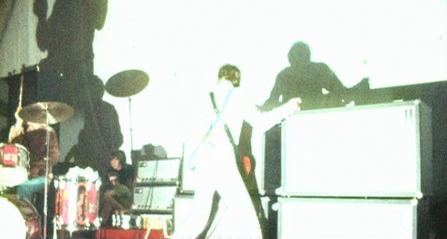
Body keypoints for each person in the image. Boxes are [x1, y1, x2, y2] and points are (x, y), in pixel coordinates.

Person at [171, 64, 301, 238]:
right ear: (236, 79)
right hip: (223, 164)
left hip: (204, 161)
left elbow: (194, 133)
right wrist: (289, 108)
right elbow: (261, 123)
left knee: (197, 220)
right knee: (250, 225)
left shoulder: (204, 97)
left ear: (219, 77)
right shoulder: (236, 95)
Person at [260, 41, 354, 112]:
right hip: (293, 120)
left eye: (300, 55)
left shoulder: (318, 70)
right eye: (297, 56)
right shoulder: (284, 76)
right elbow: (272, 102)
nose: (299, 59)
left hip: (315, 118)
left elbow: (342, 93)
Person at [10, 120, 60, 238]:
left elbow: (54, 156)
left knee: (24, 189)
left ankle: (26, 225)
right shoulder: (22, 131)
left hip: (43, 176)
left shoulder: (49, 132)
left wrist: (38, 166)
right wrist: (17, 126)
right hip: (21, 175)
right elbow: (12, 148)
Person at [99, 150, 134, 227]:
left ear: (121, 159)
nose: (113, 162)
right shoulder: (110, 170)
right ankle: (103, 223)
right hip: (114, 196)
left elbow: (129, 186)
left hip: (125, 194)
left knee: (108, 196)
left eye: (115, 159)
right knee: (107, 199)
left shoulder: (129, 169)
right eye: (111, 160)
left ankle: (102, 221)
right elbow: (105, 184)